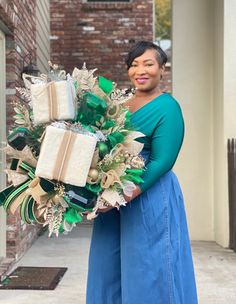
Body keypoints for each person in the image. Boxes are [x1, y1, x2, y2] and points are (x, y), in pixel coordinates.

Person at [86, 41, 198, 304]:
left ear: (162, 69)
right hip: (111, 194)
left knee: (149, 266)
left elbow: (163, 161)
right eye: (134, 65)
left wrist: (126, 193)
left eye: (148, 63)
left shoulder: (168, 107)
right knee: (107, 264)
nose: (140, 70)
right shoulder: (119, 102)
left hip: (148, 194)